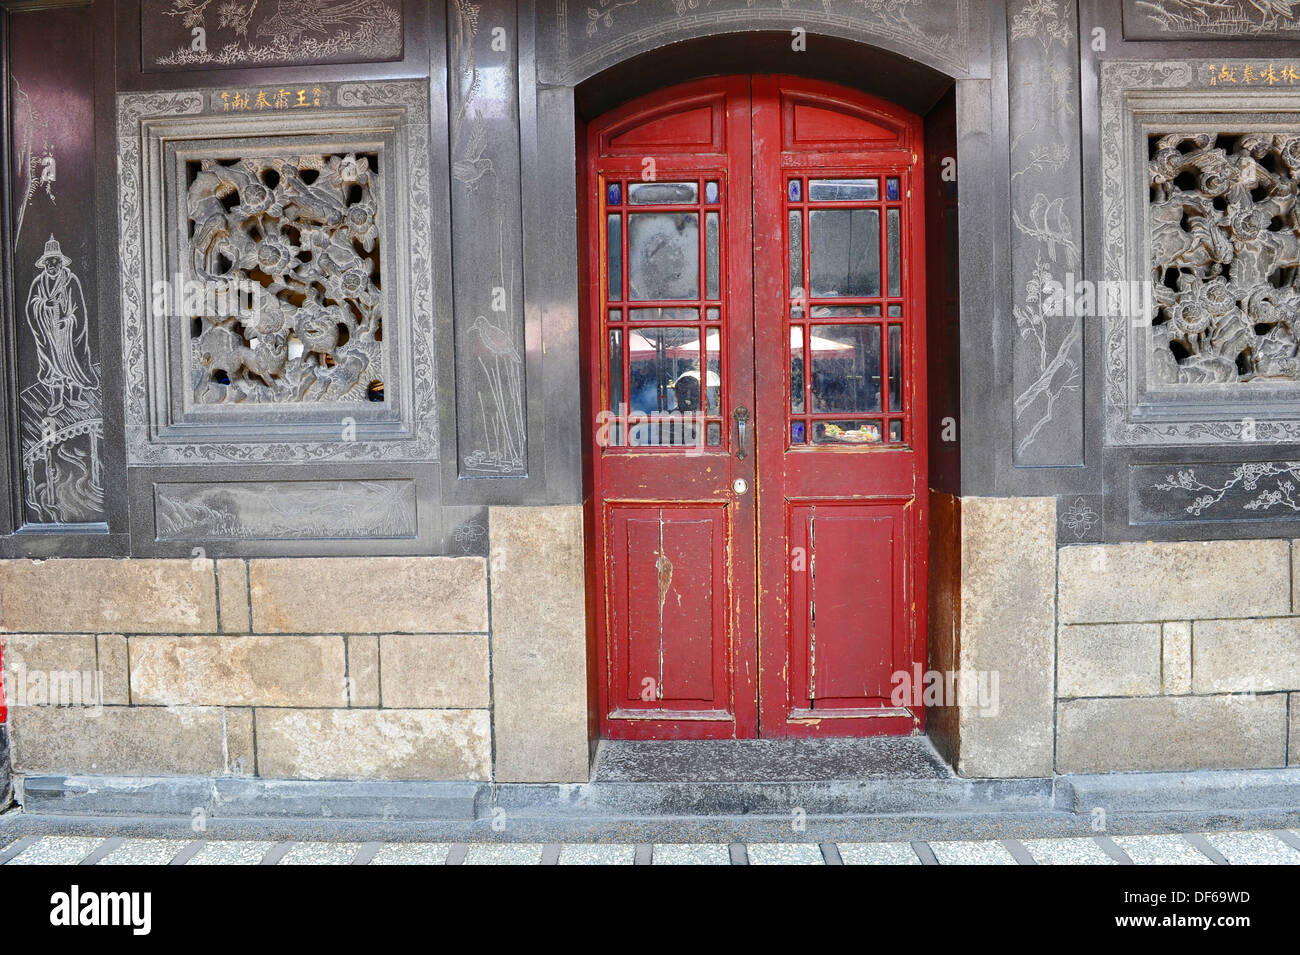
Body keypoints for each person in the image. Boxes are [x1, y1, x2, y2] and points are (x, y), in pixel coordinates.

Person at [25, 235, 99, 416]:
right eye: (48, 263)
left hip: (68, 334)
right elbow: (31, 306)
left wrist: (67, 323)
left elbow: (79, 310)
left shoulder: (71, 280)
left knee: (75, 363)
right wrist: (43, 305)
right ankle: (56, 401)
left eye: (55, 262)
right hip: (48, 335)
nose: (51, 266)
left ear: (61, 263)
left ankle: (75, 396)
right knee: (51, 366)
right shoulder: (38, 283)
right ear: (44, 264)